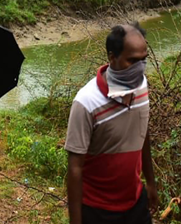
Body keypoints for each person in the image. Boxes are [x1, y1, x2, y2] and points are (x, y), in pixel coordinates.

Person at [65, 24, 157, 224]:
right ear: (112, 57)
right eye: (132, 61)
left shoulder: (141, 86)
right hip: (98, 210)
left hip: (135, 202)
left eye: (144, 60)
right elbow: (75, 167)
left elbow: (143, 132)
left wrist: (150, 181)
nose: (139, 68)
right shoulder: (86, 102)